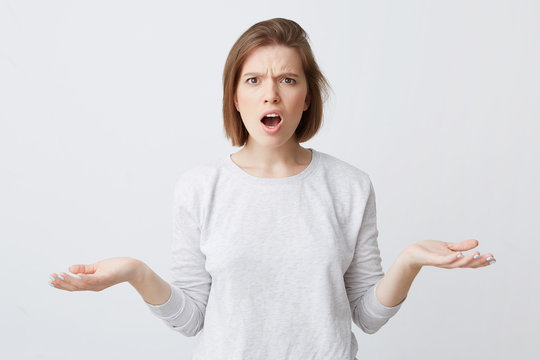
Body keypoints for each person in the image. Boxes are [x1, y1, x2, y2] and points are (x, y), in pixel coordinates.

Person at [48, 18, 496, 359]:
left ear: (306, 96)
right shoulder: (200, 188)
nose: (271, 95)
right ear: (235, 97)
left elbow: (367, 317)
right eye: (254, 80)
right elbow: (192, 321)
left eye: (288, 79)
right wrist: (134, 272)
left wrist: (410, 261)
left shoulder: (350, 186)